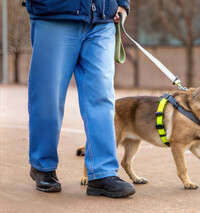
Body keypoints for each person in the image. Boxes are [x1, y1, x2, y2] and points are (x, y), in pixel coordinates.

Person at [25, 0, 135, 198]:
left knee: (103, 98)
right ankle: (42, 165)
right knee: (47, 96)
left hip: (102, 19)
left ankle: (102, 172)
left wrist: (122, 3)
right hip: (55, 14)